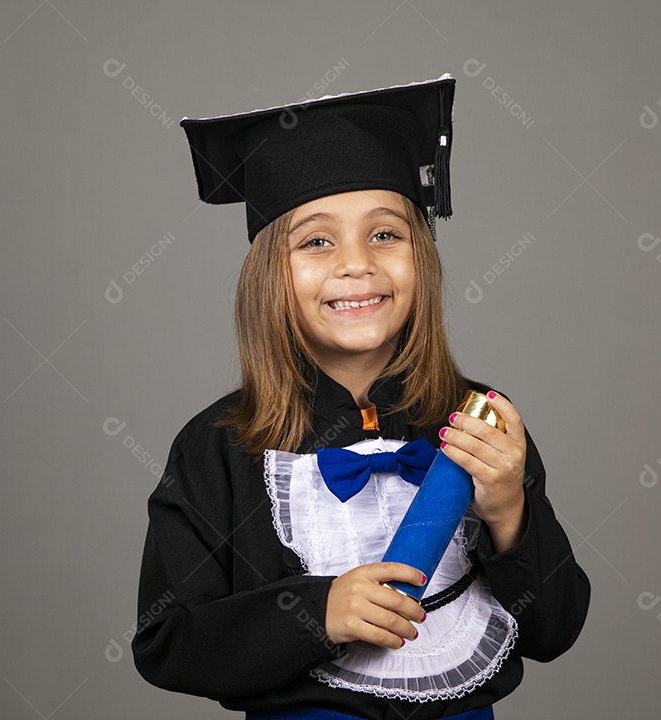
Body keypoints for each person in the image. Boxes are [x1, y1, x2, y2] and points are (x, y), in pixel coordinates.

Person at [132, 74, 590, 720]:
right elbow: (168, 643)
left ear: (421, 256)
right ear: (269, 274)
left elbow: (554, 630)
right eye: (317, 241)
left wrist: (510, 511)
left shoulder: (480, 421)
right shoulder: (220, 446)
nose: (357, 264)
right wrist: (316, 613)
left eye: (385, 234)